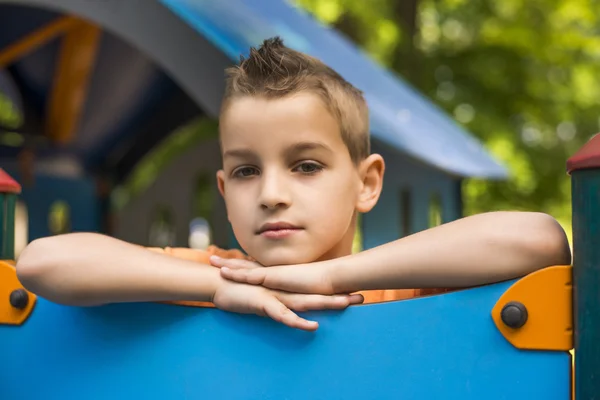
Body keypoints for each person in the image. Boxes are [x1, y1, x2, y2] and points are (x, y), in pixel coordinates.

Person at [15, 37, 571, 332]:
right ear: (224, 188)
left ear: (367, 182)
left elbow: (539, 239)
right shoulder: (216, 275)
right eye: (246, 170)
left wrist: (330, 276)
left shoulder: (396, 290)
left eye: (305, 165)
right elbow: (42, 262)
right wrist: (218, 290)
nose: (271, 193)